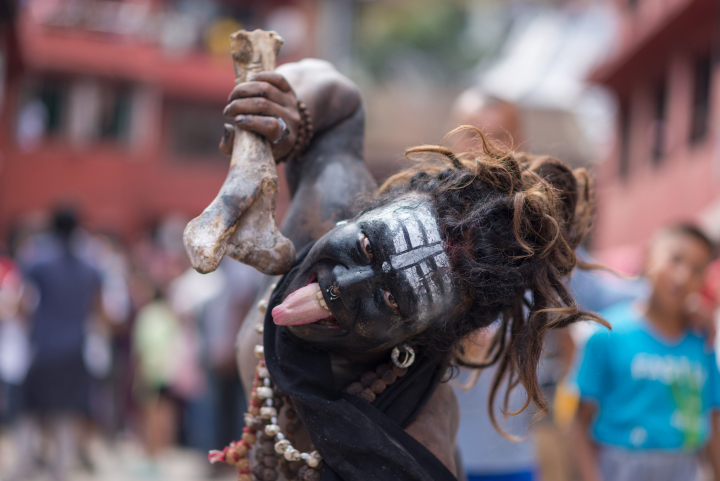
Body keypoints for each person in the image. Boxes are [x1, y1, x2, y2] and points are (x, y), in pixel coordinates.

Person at [205, 59, 601, 480]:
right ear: (361, 212)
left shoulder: (408, 448)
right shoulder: (325, 213)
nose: (342, 286)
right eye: (365, 247)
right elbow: (340, 102)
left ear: (421, 338)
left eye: (392, 299)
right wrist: (290, 110)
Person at [570, 224, 720, 481]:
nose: (683, 275)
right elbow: (579, 423)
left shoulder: (702, 341)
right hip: (619, 469)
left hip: (685, 468)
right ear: (649, 257)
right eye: (675, 259)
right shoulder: (607, 336)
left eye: (697, 269)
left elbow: (713, 419)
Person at [8, 208, 104, 481]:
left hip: (43, 349)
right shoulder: (90, 265)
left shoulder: (38, 261)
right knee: (64, 417)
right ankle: (58, 473)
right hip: (75, 350)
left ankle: (23, 469)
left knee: (28, 412)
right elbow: (99, 309)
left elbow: (22, 304)